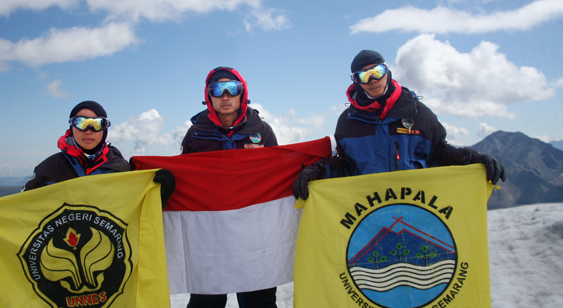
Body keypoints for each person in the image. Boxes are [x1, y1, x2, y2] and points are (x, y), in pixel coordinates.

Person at [293, 50, 506, 200]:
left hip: (419, 209)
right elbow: (347, 165)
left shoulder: (418, 113)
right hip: (369, 214)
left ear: (387, 71)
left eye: (377, 71)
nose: (373, 79)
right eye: (365, 75)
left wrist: (473, 160)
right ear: (356, 81)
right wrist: (317, 171)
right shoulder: (348, 123)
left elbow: (439, 154)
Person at [0, 101, 174, 222]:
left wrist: (160, 195)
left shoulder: (121, 168)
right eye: (81, 122)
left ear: (105, 129)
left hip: (111, 252)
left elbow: (137, 213)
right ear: (71, 127)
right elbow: (22, 207)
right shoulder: (49, 168)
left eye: (96, 123)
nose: (88, 130)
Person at [181, 67, 278, 308]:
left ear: (242, 93)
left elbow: (278, 172)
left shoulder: (262, 131)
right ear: (209, 96)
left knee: (260, 302)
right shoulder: (195, 135)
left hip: (255, 235)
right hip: (210, 235)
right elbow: (182, 177)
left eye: (232, 89)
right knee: (205, 301)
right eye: (217, 90)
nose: (225, 96)